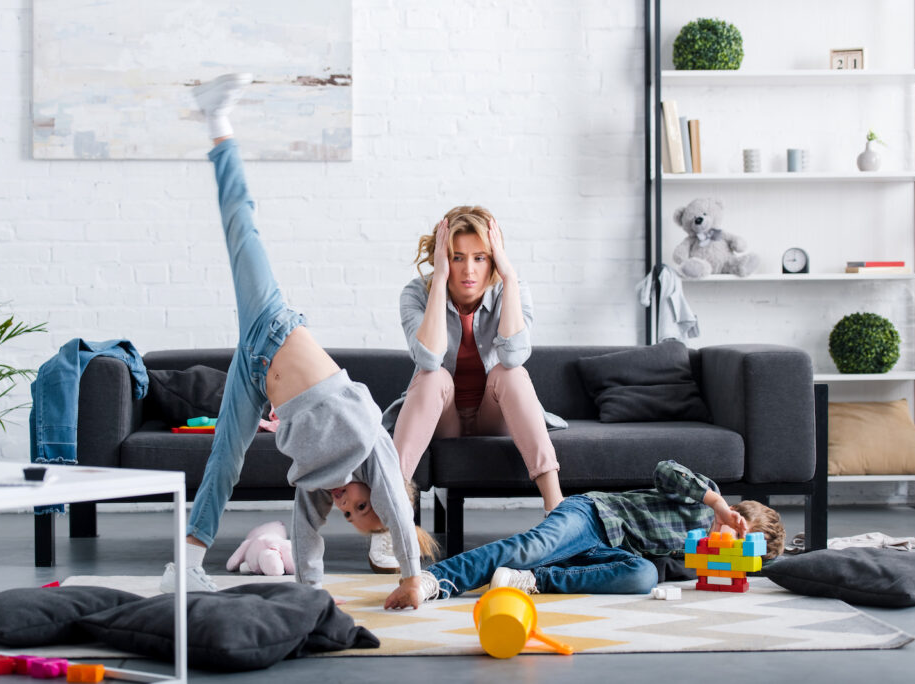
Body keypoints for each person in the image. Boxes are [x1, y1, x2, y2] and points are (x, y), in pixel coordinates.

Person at [161, 73, 435, 608]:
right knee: (244, 229)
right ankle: (218, 123)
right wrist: (410, 575)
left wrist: (310, 593)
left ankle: (187, 565)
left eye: (351, 517)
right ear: (373, 488)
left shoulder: (317, 483)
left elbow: (306, 537)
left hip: (255, 369)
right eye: (360, 505)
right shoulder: (370, 447)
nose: (347, 506)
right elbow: (400, 515)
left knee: (225, 460)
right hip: (276, 327)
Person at [370, 206, 566, 572]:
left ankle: (557, 513)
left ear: (494, 258)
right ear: (443, 258)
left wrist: (508, 278)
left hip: (495, 414)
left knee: (511, 373)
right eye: (457, 257)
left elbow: (514, 354)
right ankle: (389, 516)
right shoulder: (416, 293)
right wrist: (439, 279)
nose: (469, 269)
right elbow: (428, 358)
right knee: (432, 376)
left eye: (480, 257)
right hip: (444, 418)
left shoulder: (514, 289)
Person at [382, 460, 785, 607]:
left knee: (643, 576)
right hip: (594, 515)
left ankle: (534, 582)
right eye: (735, 535)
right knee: (531, 546)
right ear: (736, 517)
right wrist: (714, 503)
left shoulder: (700, 563)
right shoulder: (701, 497)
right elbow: (665, 469)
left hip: (605, 555)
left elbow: (651, 570)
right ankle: (432, 582)